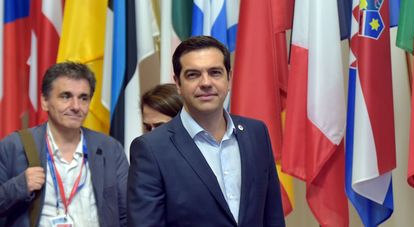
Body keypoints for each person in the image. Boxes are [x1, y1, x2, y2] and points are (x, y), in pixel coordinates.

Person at [127, 36, 285, 226]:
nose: (206, 83)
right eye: (193, 74)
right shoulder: (151, 149)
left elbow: (273, 217)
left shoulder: (256, 133)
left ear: (229, 77)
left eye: (215, 72)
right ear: (178, 83)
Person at [0, 62, 128, 227]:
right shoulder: (14, 146)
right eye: (66, 96)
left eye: (83, 98)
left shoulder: (111, 149)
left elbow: (127, 214)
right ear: (45, 101)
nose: (76, 107)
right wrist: (19, 186)